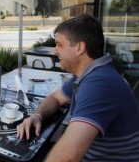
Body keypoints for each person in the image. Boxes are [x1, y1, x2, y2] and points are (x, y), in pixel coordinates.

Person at [17, 14, 139, 161]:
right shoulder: (89, 74)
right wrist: (37, 116)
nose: (55, 51)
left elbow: (68, 156)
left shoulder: (100, 84)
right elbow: (55, 97)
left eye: (59, 45)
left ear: (80, 47)